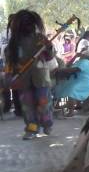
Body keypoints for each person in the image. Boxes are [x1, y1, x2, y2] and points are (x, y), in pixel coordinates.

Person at [5, 10, 55, 140]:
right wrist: (9, 77)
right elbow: (10, 62)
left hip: (41, 78)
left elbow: (50, 57)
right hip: (23, 80)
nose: (28, 26)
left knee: (44, 102)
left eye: (30, 23)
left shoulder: (41, 39)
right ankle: (32, 128)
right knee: (27, 105)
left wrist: (49, 47)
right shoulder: (13, 43)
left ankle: (47, 123)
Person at [54, 50, 89, 117]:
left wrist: (60, 70)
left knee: (71, 91)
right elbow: (68, 65)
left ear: (85, 56)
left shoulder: (86, 62)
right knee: (61, 86)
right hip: (76, 81)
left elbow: (75, 70)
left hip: (83, 83)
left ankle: (71, 111)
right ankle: (58, 105)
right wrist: (75, 57)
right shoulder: (79, 61)